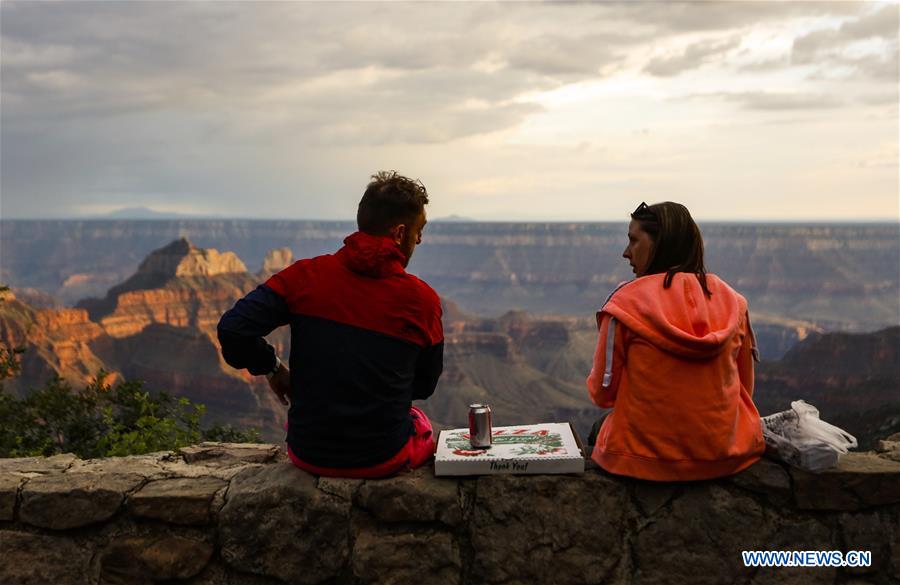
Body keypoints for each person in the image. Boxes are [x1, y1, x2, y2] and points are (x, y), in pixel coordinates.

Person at [217, 171, 443, 478]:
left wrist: (273, 369)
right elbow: (423, 386)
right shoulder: (422, 301)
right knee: (421, 424)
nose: (420, 239)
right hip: (382, 457)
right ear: (400, 233)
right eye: (419, 230)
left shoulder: (303, 277)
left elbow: (233, 329)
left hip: (307, 454)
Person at [585, 202, 764, 481]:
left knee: (599, 428)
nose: (626, 252)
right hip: (725, 454)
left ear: (660, 245)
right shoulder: (734, 303)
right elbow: (744, 388)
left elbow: (602, 393)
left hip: (644, 459)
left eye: (634, 240)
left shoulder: (624, 305)